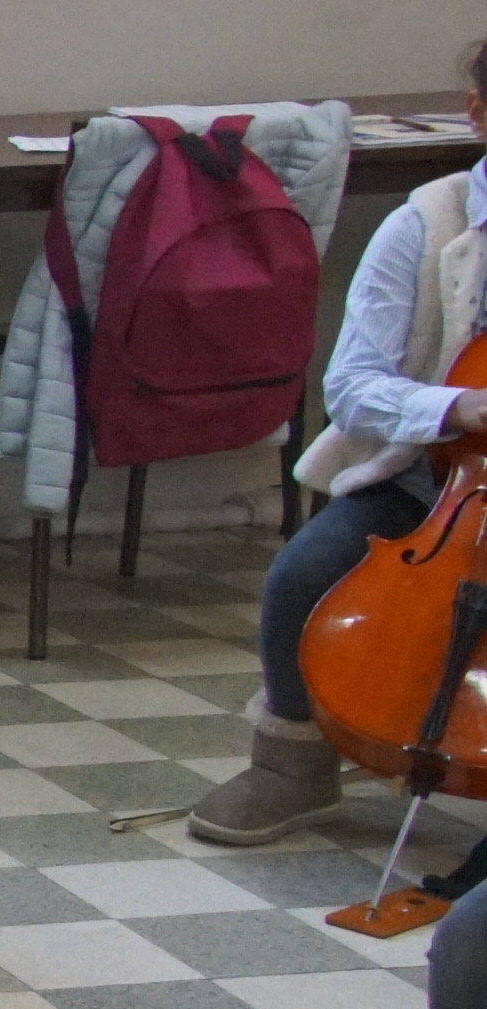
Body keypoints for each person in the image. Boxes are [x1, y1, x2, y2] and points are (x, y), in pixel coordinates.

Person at [191, 42, 487, 846]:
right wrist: (462, 407)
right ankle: (293, 767)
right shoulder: (426, 224)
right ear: (478, 113)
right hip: (435, 486)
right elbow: (351, 386)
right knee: (303, 576)